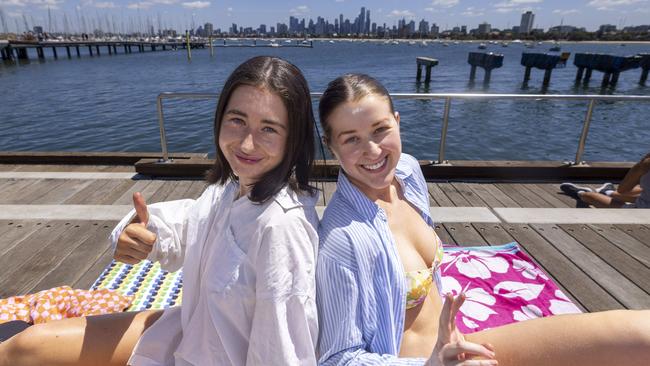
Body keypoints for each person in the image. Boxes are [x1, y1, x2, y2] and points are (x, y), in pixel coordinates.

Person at [0, 56, 320, 366]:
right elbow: (190, 224)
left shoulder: (281, 228)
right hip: (190, 329)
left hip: (218, 355)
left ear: (294, 137)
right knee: (26, 346)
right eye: (237, 120)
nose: (247, 144)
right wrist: (146, 233)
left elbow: (282, 352)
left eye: (269, 129)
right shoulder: (230, 189)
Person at [315, 73, 650, 366]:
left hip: (461, 343)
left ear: (397, 122)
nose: (373, 150)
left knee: (640, 335)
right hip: (425, 362)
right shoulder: (343, 239)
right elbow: (337, 358)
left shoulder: (407, 173)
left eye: (380, 129)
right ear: (331, 146)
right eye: (351, 139)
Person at [560, 152, 650, 208]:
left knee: (589, 197)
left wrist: (640, 166)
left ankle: (581, 193)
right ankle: (608, 192)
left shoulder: (646, 164)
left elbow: (622, 190)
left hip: (642, 211)